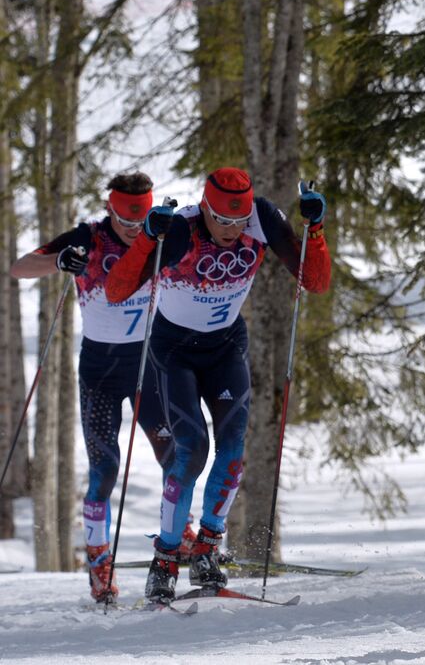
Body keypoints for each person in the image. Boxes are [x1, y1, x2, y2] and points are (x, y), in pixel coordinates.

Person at [104, 168, 331, 604]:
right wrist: (148, 241)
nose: (232, 230)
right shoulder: (181, 230)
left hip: (226, 346)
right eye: (222, 220)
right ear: (205, 208)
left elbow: (315, 281)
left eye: (239, 220)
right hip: (173, 351)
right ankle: (166, 559)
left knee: (232, 449)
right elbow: (117, 291)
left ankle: (208, 547)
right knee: (191, 450)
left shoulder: (261, 218)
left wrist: (314, 229)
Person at [8, 173, 177, 603]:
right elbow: (20, 267)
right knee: (104, 469)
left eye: (139, 221)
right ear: (111, 208)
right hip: (100, 370)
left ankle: (181, 538)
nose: (133, 229)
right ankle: (99, 559)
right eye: (125, 219)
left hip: (148, 367)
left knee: (176, 456)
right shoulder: (88, 236)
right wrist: (60, 260)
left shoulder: (161, 232)